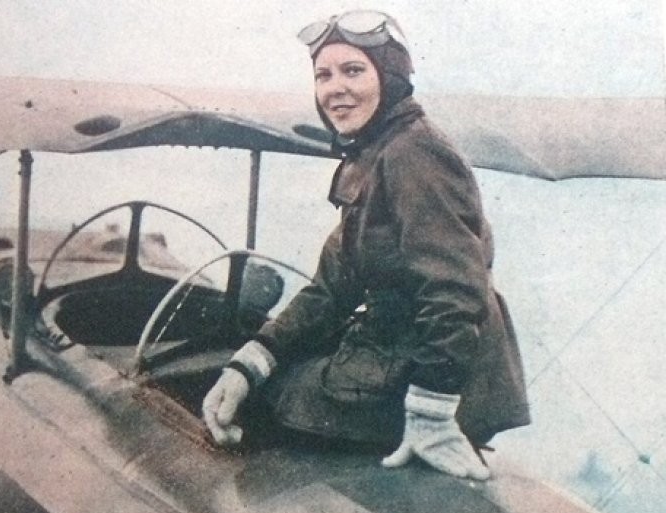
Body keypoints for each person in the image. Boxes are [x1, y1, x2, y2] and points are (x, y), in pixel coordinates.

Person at [202, 10, 529, 480]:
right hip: (398, 351)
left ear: (390, 77)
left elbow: (456, 291)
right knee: (268, 381)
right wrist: (250, 362)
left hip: (434, 377)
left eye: (353, 71)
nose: (335, 88)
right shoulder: (374, 151)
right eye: (323, 75)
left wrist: (432, 413)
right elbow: (331, 288)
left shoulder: (414, 153)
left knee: (278, 403)